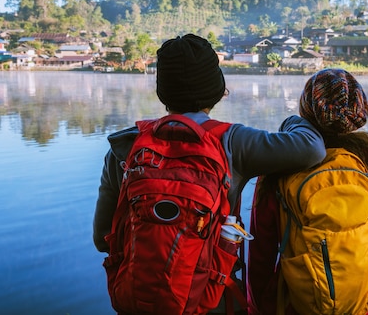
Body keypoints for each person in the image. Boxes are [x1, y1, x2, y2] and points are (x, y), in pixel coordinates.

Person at [92, 33, 326, 314]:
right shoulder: (232, 142)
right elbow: (311, 148)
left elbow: (102, 237)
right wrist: (292, 119)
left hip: (136, 298)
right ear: (218, 89)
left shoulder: (126, 146)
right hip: (211, 300)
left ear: (162, 92)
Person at [247, 68, 368, 315]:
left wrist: (257, 306)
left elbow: (261, 256)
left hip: (295, 303)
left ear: (306, 110)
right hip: (362, 304)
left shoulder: (278, 167)